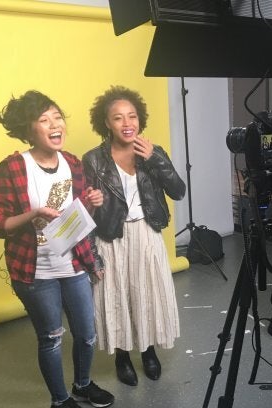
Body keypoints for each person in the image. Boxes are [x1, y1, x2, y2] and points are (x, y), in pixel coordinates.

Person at [0, 90, 114, 408]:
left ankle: (83, 386)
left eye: (58, 117)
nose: (55, 125)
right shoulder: (13, 168)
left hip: (72, 263)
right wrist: (32, 215)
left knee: (87, 334)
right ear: (28, 131)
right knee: (52, 338)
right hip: (34, 270)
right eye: (44, 120)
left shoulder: (72, 163)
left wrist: (92, 200)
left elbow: (75, 214)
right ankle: (60, 403)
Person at [82, 86, 186, 387]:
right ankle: (122, 357)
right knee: (117, 296)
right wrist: (91, 204)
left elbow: (178, 191)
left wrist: (155, 159)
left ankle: (149, 350)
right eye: (118, 118)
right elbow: (85, 212)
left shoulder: (153, 153)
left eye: (132, 116)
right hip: (112, 237)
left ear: (140, 119)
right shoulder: (93, 160)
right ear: (106, 123)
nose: (127, 123)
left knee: (148, 293)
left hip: (147, 232)